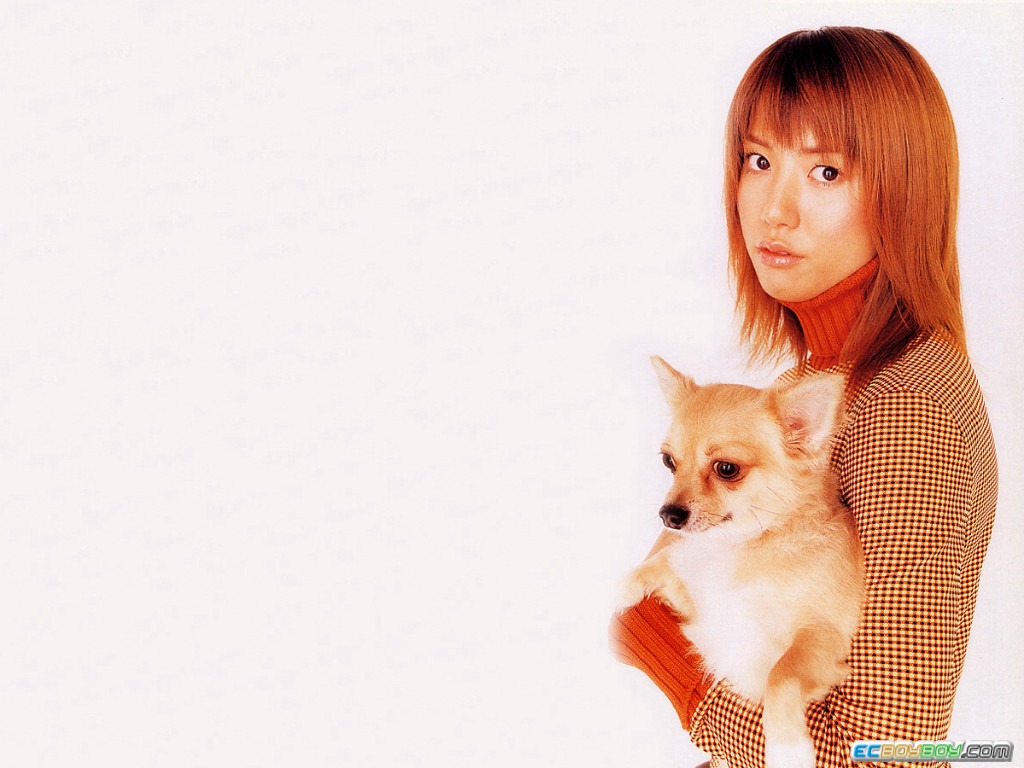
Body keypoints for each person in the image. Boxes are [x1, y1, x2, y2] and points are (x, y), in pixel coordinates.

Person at [609, 26, 998, 768]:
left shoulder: (907, 405)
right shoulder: (812, 383)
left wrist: (660, 654)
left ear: (905, 193)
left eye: (825, 171)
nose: (774, 211)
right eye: (758, 161)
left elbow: (894, 752)